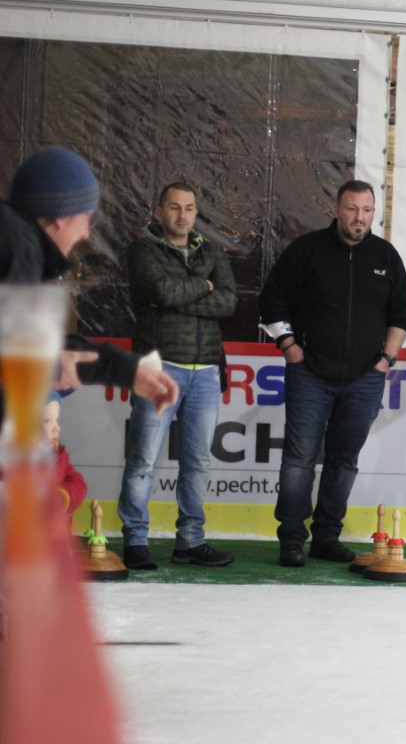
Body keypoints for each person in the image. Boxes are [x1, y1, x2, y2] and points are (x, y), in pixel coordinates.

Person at [259, 179, 406, 568]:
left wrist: (386, 360)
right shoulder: (306, 250)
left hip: (365, 378)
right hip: (309, 373)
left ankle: (327, 536)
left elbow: (403, 313)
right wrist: (289, 347)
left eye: (366, 211)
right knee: (299, 458)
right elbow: (272, 301)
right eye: (351, 209)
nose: (358, 218)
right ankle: (292, 538)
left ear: (373, 213)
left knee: (344, 460)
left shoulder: (386, 256)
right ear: (337, 209)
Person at [116, 182, 237, 570]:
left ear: (196, 213)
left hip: (205, 371)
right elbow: (160, 291)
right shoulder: (142, 250)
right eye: (174, 207)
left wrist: (182, 296)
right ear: (158, 211)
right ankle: (135, 540)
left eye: (189, 208)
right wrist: (204, 286)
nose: (182, 215)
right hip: (159, 368)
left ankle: (190, 542)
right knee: (142, 460)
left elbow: (229, 301)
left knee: (198, 463)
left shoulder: (213, 250)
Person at [0, 146, 179, 408]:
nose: (85, 234)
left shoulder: (14, 241)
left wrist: (128, 370)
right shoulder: (18, 248)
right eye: (88, 219)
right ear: (62, 216)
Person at [43, 392, 87, 523]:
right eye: (46, 421)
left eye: (56, 420)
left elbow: (79, 484)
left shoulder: (57, 455)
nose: (56, 427)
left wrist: (63, 494)